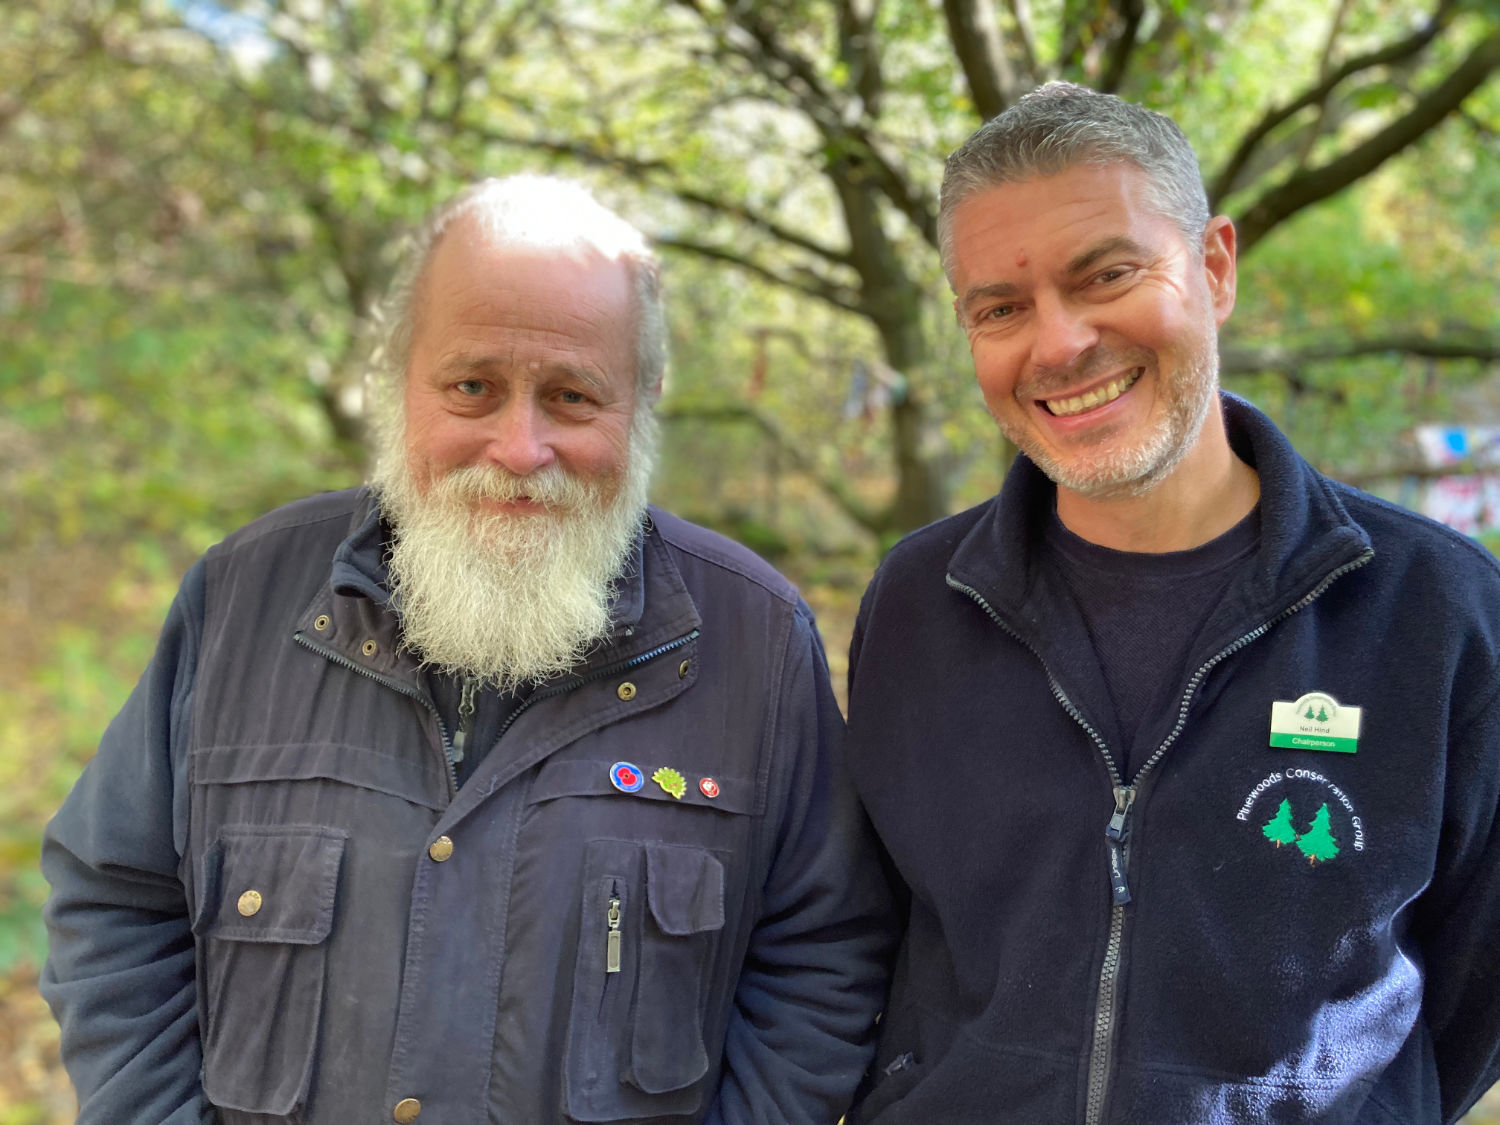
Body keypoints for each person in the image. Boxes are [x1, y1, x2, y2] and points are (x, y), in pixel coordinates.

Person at [41, 175, 894, 1125]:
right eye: (472, 387)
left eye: (571, 396)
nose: (519, 448)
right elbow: (115, 904)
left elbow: (824, 958)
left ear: (643, 400)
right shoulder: (240, 599)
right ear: (401, 382)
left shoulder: (754, 642)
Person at [844, 82, 1500, 1125]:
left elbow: (1474, 990)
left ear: (1215, 267)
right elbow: (869, 939)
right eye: (1001, 308)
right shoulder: (919, 604)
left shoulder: (1438, 613)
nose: (1059, 344)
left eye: (1107, 274)